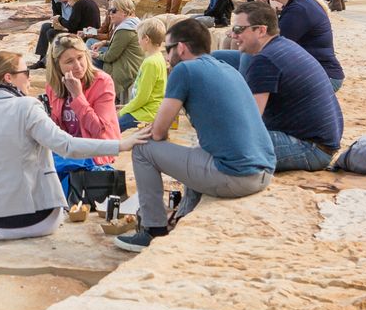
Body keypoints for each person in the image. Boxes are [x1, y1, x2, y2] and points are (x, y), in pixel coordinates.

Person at [0, 51, 149, 254]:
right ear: (8, 78)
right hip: (41, 219)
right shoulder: (28, 106)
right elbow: (67, 146)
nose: (29, 79)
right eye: (26, 73)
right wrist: (121, 145)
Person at [114, 17, 275, 252]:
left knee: (142, 149)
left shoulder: (184, 70)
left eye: (168, 50)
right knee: (197, 150)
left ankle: (152, 229)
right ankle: (182, 213)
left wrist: (145, 132)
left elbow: (158, 133)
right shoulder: (226, 68)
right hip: (264, 169)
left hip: (237, 177)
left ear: (181, 47)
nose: (166, 58)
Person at [229, 2, 343, 172]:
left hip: (312, 149)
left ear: (261, 30)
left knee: (221, 143)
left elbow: (250, 120)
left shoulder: (264, 60)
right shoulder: (281, 45)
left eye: (238, 29)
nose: (232, 35)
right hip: (323, 141)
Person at [233, 0, 345, 91]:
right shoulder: (291, 1)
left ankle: (244, 96)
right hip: (300, 67)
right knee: (221, 56)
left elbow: (270, 46)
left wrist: (263, 15)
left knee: (249, 55)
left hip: (323, 76)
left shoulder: (299, 9)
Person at [46, 34, 121, 165]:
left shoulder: (102, 81)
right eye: (69, 61)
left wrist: (77, 96)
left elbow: (99, 130)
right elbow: (55, 128)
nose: (78, 65)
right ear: (58, 65)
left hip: (95, 154)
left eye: (80, 57)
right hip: (67, 153)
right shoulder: (53, 86)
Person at [31, 0, 101, 69]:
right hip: (83, 30)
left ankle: (58, 59)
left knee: (51, 33)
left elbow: (72, 25)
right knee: (46, 27)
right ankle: (43, 59)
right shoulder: (85, 1)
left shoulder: (79, 4)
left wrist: (60, 19)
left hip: (83, 31)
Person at [117, 19, 167, 131]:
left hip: (146, 113)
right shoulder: (157, 58)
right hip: (146, 109)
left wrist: (122, 112)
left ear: (146, 39)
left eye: (139, 38)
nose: (138, 41)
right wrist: (127, 106)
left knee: (112, 127)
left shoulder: (150, 63)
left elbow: (142, 98)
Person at [93, 0, 143, 98]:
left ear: (124, 12)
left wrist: (96, 54)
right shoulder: (133, 23)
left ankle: (103, 95)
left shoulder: (124, 30)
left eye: (113, 11)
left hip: (125, 71)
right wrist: (104, 42)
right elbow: (118, 41)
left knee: (91, 59)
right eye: (109, 11)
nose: (110, 14)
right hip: (132, 64)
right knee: (91, 45)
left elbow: (110, 56)